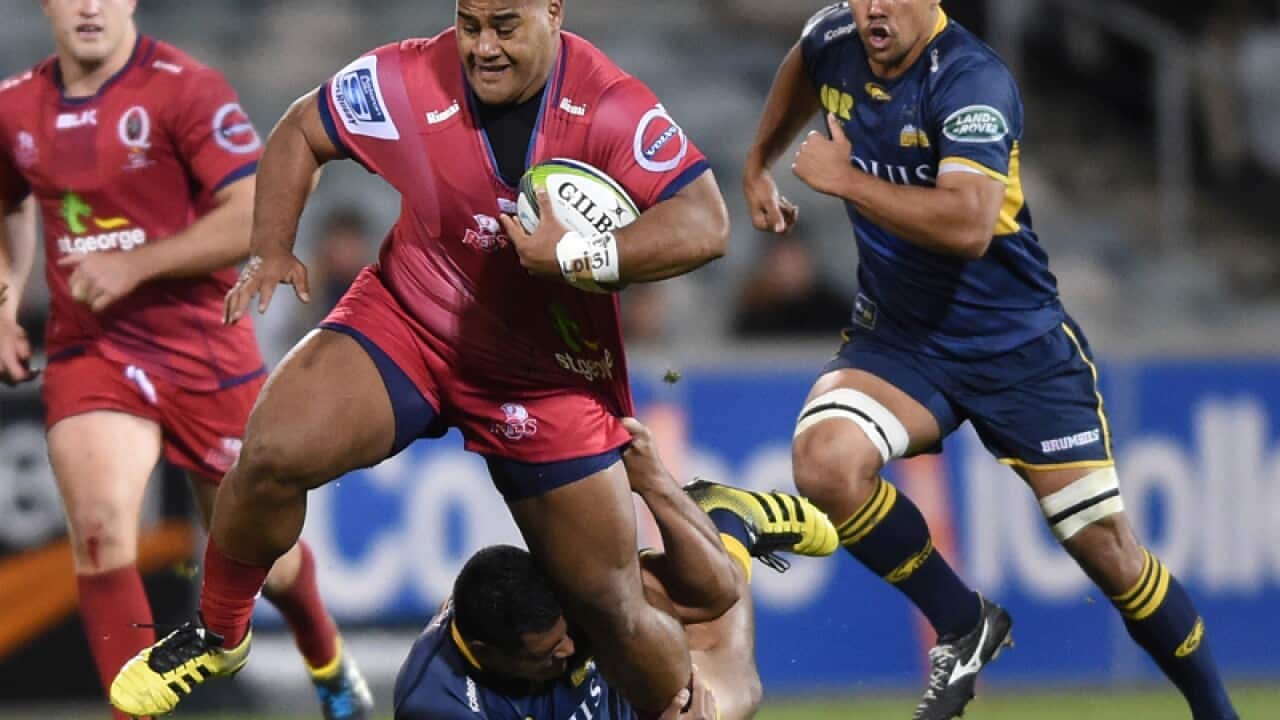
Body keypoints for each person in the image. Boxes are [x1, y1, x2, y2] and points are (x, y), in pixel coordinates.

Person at [110, 0, 735, 717]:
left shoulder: (610, 106)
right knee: (270, 449)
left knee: (609, 606)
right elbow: (300, 130)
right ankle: (218, 632)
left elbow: (705, 223)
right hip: (412, 322)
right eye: (470, 24)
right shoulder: (407, 76)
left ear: (553, 12)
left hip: (547, 379)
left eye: (505, 26)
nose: (482, 47)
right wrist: (272, 247)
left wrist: (576, 253)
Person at [742, 2, 1239, 719]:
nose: (872, 8)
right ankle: (961, 620)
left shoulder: (972, 79)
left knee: (1110, 555)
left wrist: (846, 181)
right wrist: (758, 163)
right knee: (825, 462)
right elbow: (803, 63)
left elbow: (970, 225)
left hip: (1017, 348)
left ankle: (1217, 713)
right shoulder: (835, 37)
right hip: (901, 340)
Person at [0, 2, 372, 718]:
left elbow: (254, 209)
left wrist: (137, 263)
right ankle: (133, 712)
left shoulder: (184, 88)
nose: (87, 5)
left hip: (203, 347)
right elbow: (9, 199)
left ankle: (326, 659)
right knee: (104, 527)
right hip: (93, 347)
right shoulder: (16, 106)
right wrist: (7, 300)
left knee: (272, 561)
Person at [395, 418, 838, 720]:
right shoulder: (437, 704)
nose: (567, 650)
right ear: (485, 651)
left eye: (563, 633)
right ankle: (721, 529)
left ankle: (721, 523)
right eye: (546, 652)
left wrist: (652, 482)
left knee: (731, 685)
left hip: (624, 679)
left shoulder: (552, 600)